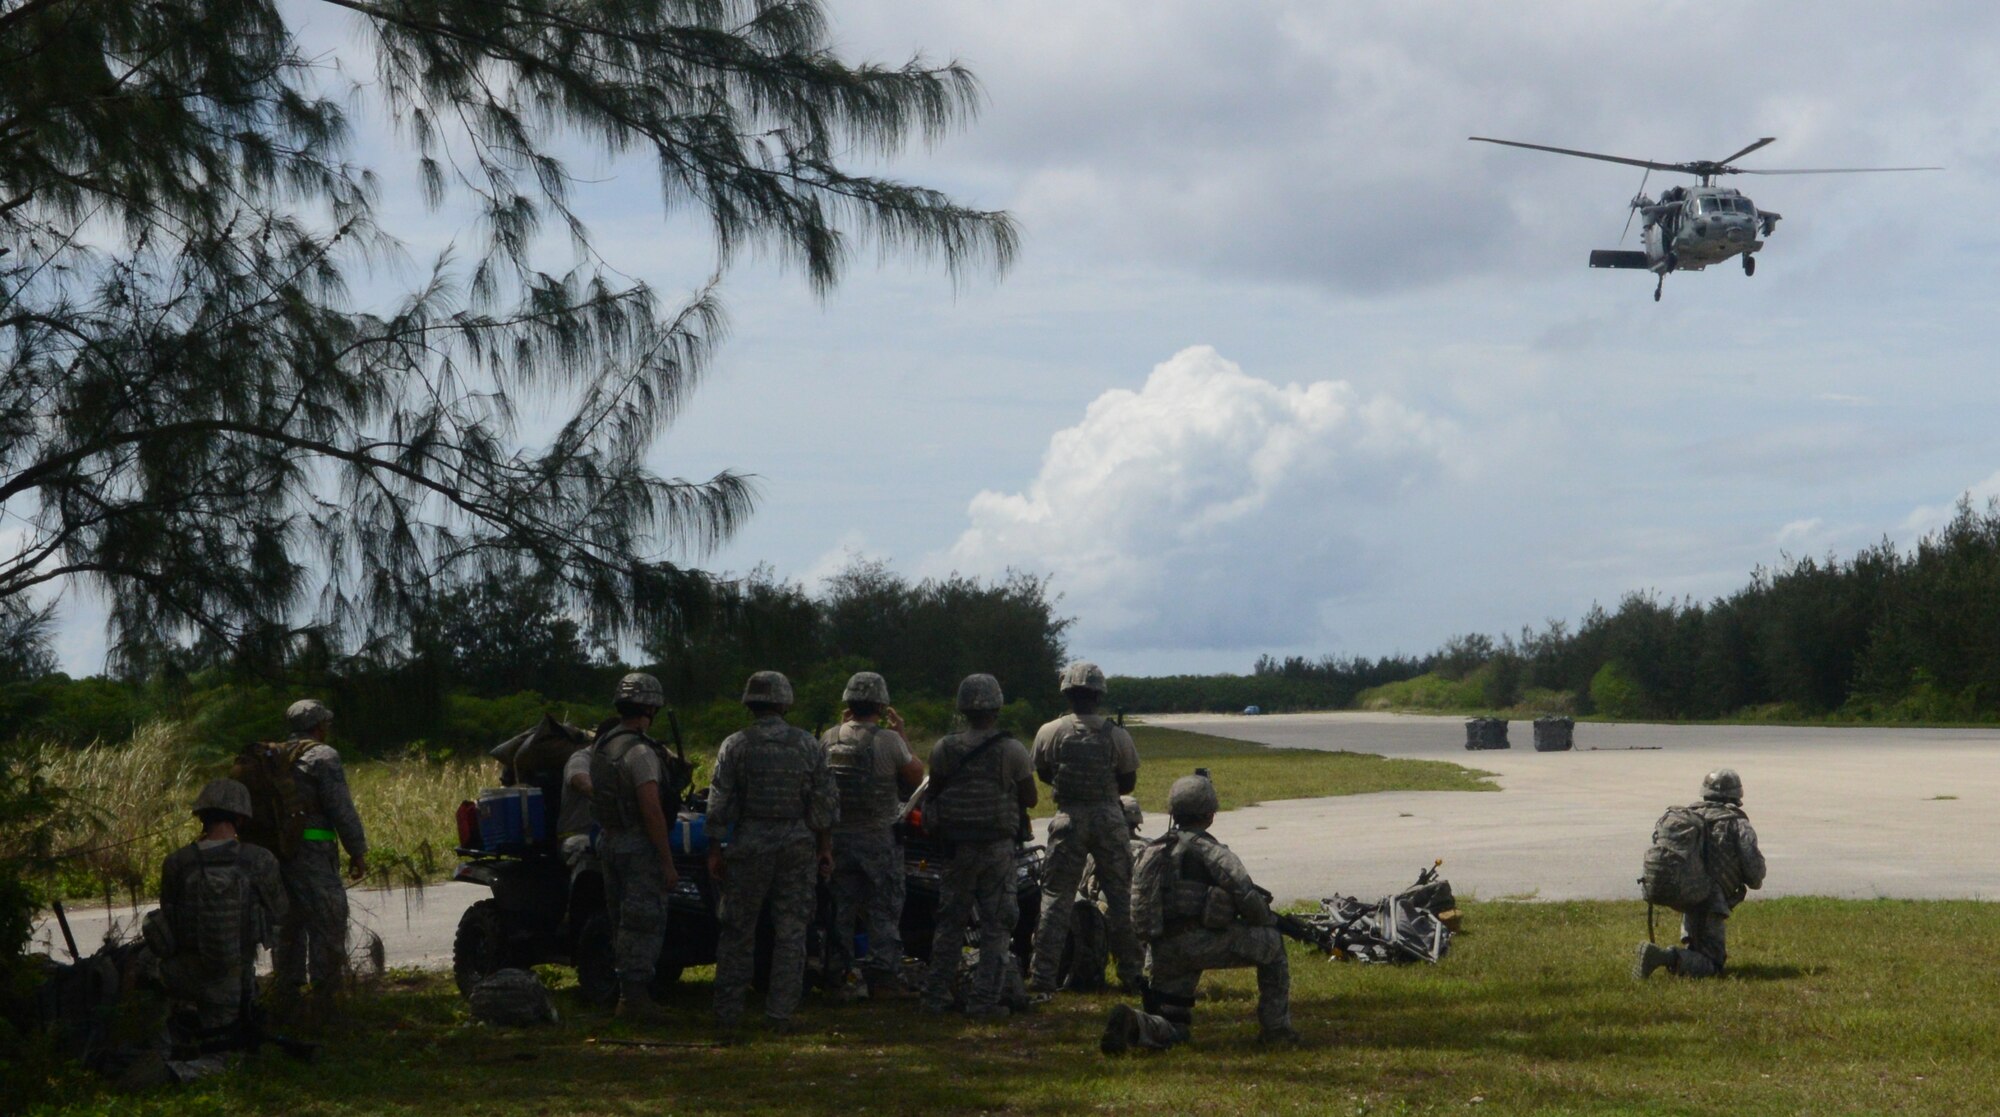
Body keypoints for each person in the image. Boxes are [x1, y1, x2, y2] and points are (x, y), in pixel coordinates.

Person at [1100, 772, 1298, 1053]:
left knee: (1175, 1027)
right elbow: (1247, 897)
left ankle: (1136, 1022)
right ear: (1210, 814)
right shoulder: (1212, 852)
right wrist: (1265, 921)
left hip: (1161, 950)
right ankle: (1277, 1030)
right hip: (1202, 942)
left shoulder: (1151, 851)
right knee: (1273, 946)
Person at [705, 670, 839, 1033]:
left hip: (749, 843)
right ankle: (780, 1014)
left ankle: (727, 1013)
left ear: (750, 703)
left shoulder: (735, 744)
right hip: (796, 844)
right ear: (784, 702)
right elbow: (824, 802)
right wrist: (824, 847)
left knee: (737, 930)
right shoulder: (807, 745)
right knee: (792, 930)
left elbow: (718, 802)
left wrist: (715, 849)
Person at [142, 779, 288, 1085]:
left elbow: (170, 915)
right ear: (241, 818)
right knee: (227, 1058)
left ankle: (159, 1051)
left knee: (148, 982)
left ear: (202, 816)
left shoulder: (177, 862)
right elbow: (280, 913)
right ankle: (170, 1073)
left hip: (181, 973)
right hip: (231, 979)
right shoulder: (260, 860)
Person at [920, 674, 1038, 1020]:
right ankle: (984, 1001)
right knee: (997, 927)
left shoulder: (944, 748)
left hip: (956, 849)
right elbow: (1030, 798)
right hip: (996, 848)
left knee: (950, 924)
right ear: (997, 707)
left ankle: (935, 996)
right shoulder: (1011, 750)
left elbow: (934, 792)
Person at [1028, 662, 1142, 995]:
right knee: (1121, 898)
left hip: (1068, 819)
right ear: (1099, 694)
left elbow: (1044, 772)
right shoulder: (1117, 735)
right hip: (1109, 820)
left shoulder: (1050, 731)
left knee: (1055, 898)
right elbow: (1128, 780)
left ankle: (1044, 974)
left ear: (1067, 693)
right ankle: (1133, 974)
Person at [820, 671, 924, 999]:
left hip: (838, 839)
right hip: (879, 840)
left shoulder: (828, 738)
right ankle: (884, 979)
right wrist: (902, 733)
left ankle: (840, 977)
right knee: (884, 911)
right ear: (881, 705)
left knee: (841, 911)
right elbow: (916, 775)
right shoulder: (889, 741)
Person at [588, 672, 680, 1021]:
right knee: (643, 920)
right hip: (638, 844)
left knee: (621, 920)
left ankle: (627, 993)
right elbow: (652, 810)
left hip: (609, 839)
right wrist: (667, 862)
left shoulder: (605, 744)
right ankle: (635, 999)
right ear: (650, 707)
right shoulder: (640, 751)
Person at [271, 699, 367, 1001]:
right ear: (317, 726)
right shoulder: (323, 756)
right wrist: (358, 851)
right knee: (328, 923)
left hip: (276, 856)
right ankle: (326, 998)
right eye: (325, 723)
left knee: (288, 925)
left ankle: (287, 994)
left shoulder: (272, 756)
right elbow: (341, 809)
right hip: (314, 856)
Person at [1636, 768, 1766, 979]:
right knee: (1713, 964)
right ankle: (1663, 957)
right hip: (1710, 900)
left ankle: (1680, 960)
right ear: (1736, 794)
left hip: (1688, 893)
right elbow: (1754, 874)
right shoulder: (1737, 822)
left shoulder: (1690, 817)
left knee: (1697, 950)